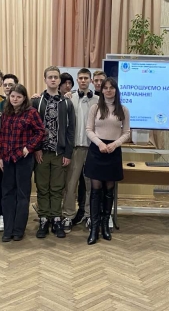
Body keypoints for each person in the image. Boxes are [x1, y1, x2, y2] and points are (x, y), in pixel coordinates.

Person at [84, 77, 130, 245]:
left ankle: (105, 225)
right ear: (101, 90)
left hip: (113, 151)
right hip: (97, 150)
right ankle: (94, 228)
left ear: (116, 90)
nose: (108, 90)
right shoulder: (95, 108)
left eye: (112, 88)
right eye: (105, 88)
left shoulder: (123, 109)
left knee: (109, 190)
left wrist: (115, 144)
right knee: (96, 190)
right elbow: (89, 129)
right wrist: (100, 143)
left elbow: (126, 132)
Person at [0, 84, 45, 242]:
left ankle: (18, 230)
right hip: (8, 158)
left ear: (24, 98)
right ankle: (8, 229)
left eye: (18, 96)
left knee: (22, 194)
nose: (15, 99)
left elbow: (40, 131)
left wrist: (29, 147)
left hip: (24, 158)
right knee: (7, 194)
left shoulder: (31, 112)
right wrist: (0, 156)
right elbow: (1, 137)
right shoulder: (6, 113)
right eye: (12, 96)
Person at [32, 66, 75, 239]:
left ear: (59, 80)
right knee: (42, 187)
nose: (53, 80)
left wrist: (68, 153)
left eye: (56, 77)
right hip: (41, 152)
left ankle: (56, 218)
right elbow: (32, 129)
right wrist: (36, 148)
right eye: (50, 77)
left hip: (59, 152)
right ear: (45, 79)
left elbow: (71, 129)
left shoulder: (67, 103)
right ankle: (44, 218)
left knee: (57, 188)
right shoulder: (36, 102)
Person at [62, 68, 97, 233]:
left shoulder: (98, 101)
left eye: (86, 78)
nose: (83, 81)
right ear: (77, 80)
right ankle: (68, 215)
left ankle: (90, 215)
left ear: (90, 80)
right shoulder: (69, 99)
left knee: (91, 185)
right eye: (81, 78)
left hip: (92, 149)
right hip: (75, 148)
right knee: (71, 184)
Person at [0, 73, 18, 231]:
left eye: (11, 85)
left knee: (16, 187)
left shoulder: (24, 105)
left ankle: (15, 217)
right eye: (6, 85)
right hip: (2, 153)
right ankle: (2, 216)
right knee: (1, 186)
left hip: (19, 154)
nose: (8, 87)